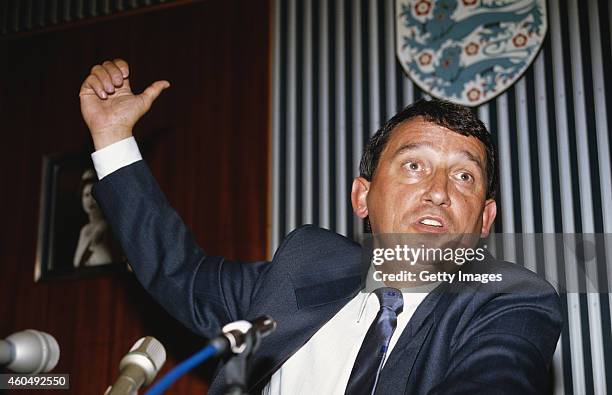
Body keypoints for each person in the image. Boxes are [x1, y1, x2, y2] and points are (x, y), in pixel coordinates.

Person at [79, 59, 562, 394]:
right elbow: (177, 271)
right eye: (414, 166)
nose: (439, 190)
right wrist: (113, 138)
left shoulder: (511, 300)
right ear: (362, 196)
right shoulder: (302, 268)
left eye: (463, 176)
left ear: (485, 221)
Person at [73, 168, 114, 267]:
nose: (90, 200)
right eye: (86, 195)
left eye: (94, 194)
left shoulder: (106, 226)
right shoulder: (84, 230)